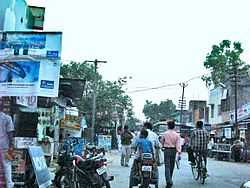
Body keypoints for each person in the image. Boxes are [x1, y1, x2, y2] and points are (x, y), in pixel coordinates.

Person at [160, 121, 181, 188]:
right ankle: (170, 179)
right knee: (172, 166)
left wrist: (162, 146)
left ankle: (168, 181)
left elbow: (162, 141)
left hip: (167, 150)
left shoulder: (165, 133)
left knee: (167, 166)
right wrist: (179, 151)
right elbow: (178, 144)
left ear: (168, 126)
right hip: (174, 150)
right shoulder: (177, 134)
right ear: (174, 126)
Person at [0, 111, 14, 188]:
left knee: (6, 165)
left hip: (4, 145)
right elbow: (10, 133)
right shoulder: (7, 118)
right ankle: (9, 185)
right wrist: (11, 145)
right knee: (7, 165)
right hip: (4, 145)